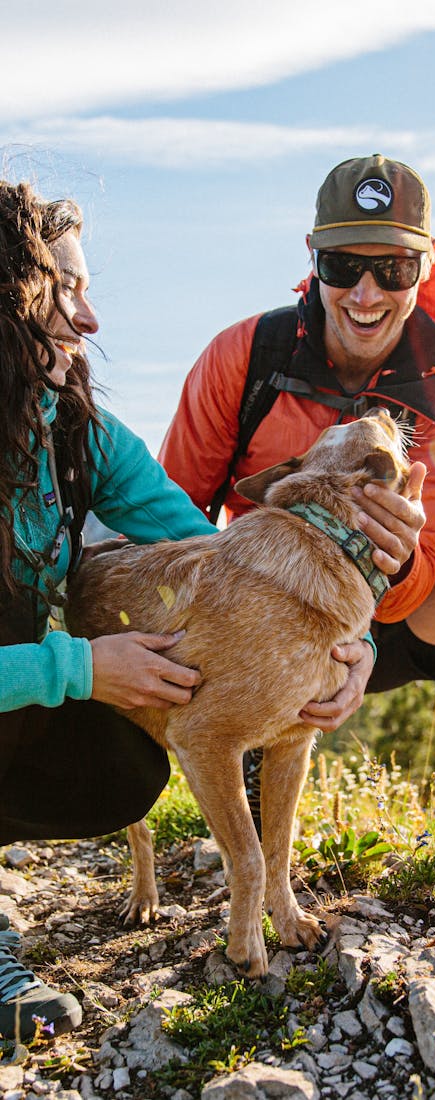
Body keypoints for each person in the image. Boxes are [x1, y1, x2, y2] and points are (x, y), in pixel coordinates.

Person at [159, 153, 435, 861]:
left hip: (397, 613)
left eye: (392, 270)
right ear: (314, 258)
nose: (366, 294)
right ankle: (247, 723)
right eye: (343, 267)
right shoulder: (242, 357)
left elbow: (417, 577)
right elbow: (166, 515)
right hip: (264, 612)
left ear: (424, 268)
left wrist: (393, 564)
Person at [0, 180, 222, 1040]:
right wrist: (85, 668)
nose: (89, 319)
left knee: (125, 763)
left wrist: (336, 641)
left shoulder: (77, 430)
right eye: (66, 290)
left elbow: (208, 551)